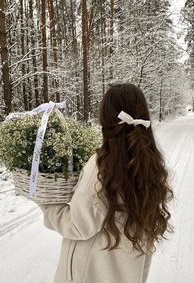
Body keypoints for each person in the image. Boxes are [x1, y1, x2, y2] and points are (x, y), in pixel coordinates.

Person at [38, 83, 173, 283]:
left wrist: (46, 202)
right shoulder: (150, 165)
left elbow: (78, 226)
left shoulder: (101, 167)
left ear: (106, 120)